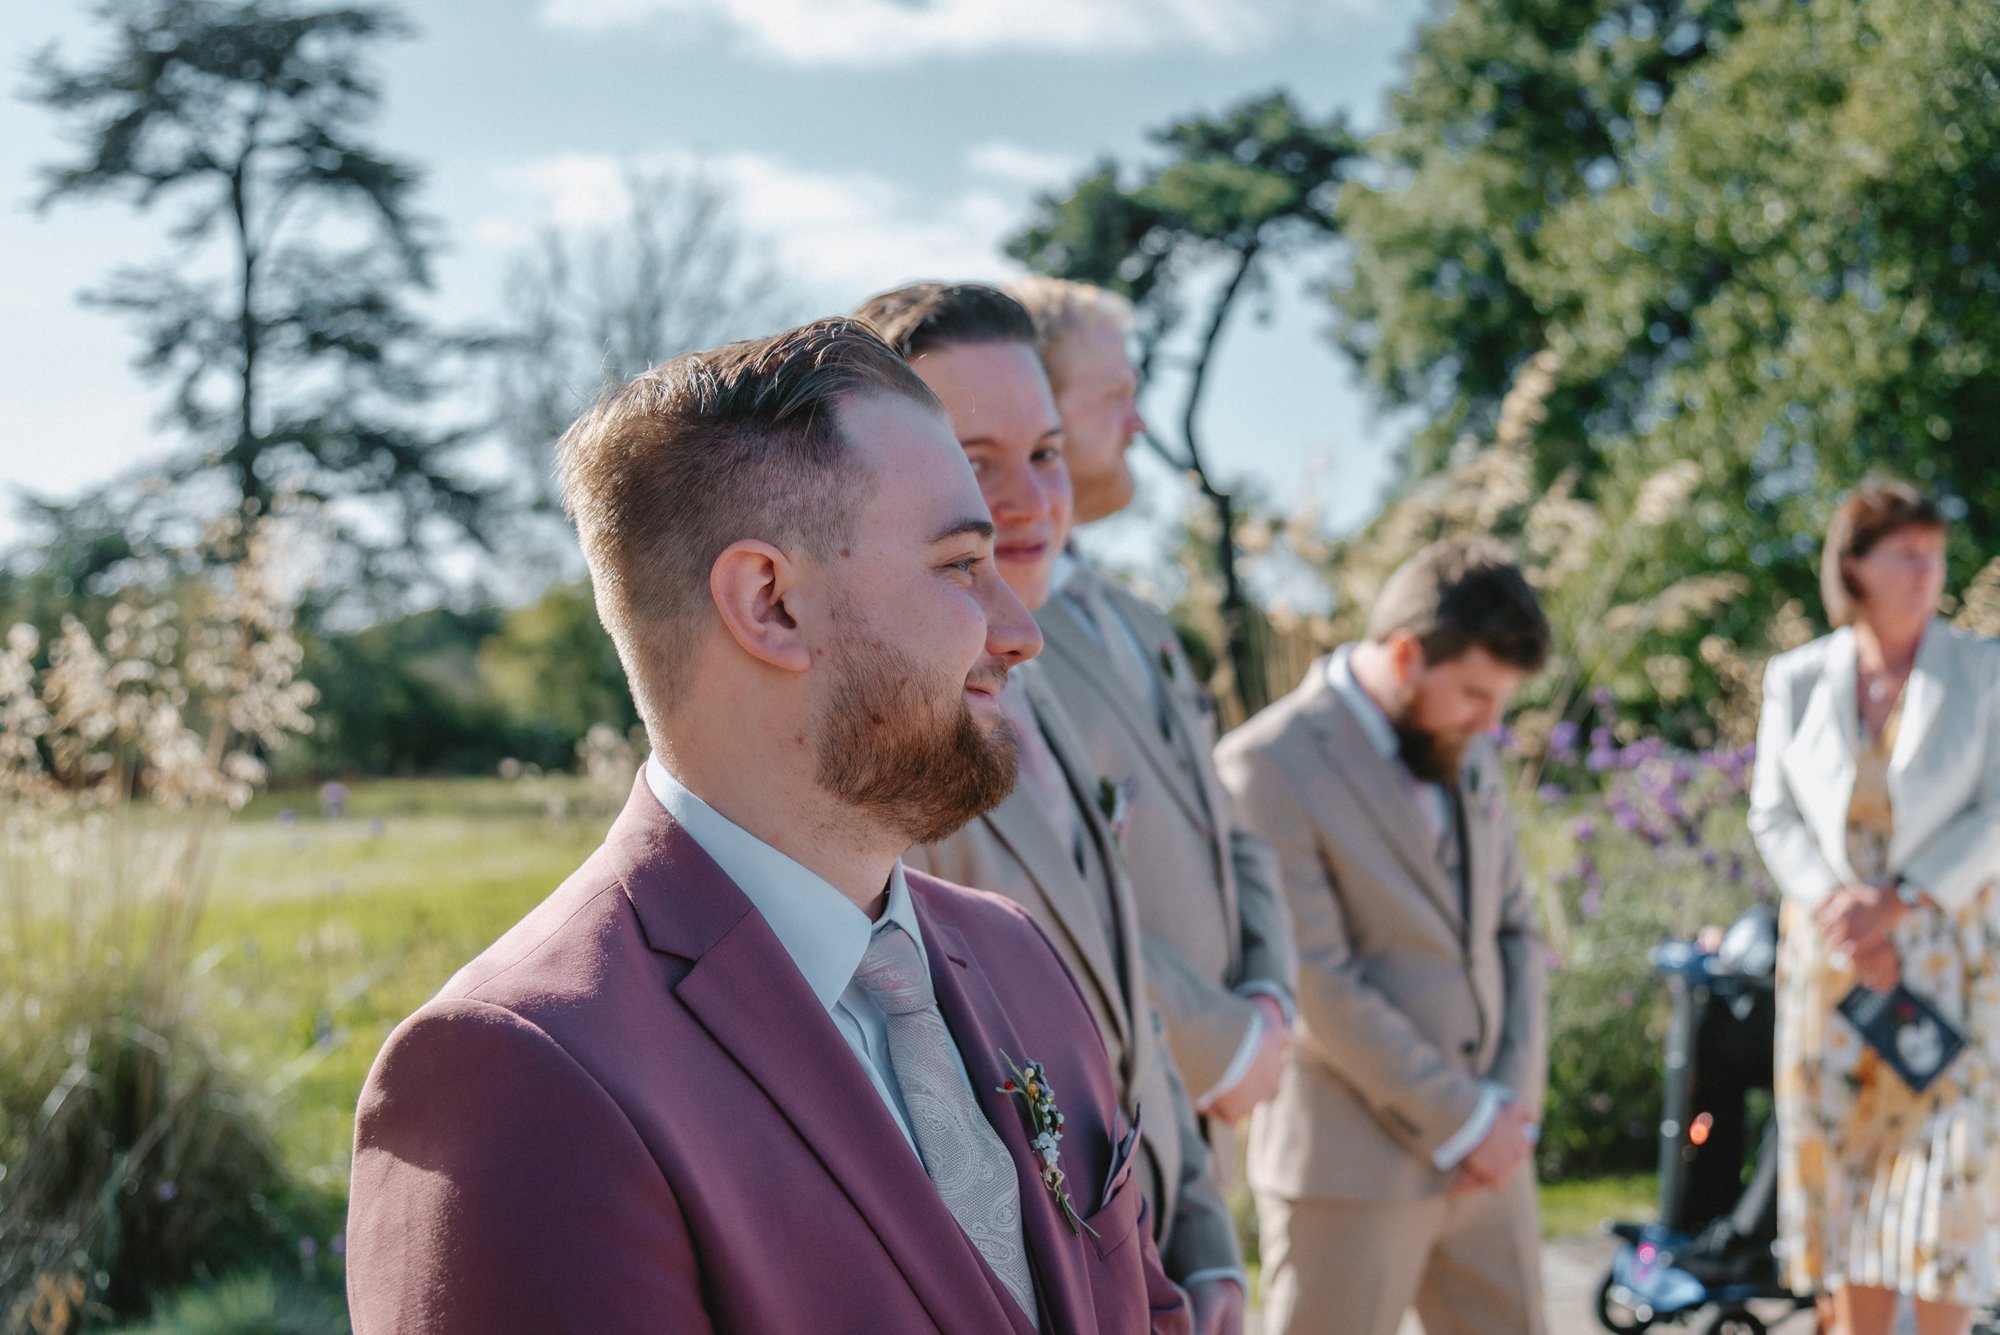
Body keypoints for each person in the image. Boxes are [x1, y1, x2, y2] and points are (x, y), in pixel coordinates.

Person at [344, 318, 1191, 1334]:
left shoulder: (1015, 959)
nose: (1020, 630)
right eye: (962, 564)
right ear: (770, 604)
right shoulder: (521, 1078)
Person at [856, 282, 1245, 1335]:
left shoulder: (1033, 690)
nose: (1026, 499)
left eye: (1042, 453)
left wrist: (1202, 1245)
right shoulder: (876, 752)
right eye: (973, 462)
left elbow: (1121, 1012)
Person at [1215, 539, 1552, 1335]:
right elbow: (1316, 982)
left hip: (1496, 1163)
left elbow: (1515, 929)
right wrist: (1465, 1121)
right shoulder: (1263, 767)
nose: (1492, 720)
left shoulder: (1464, 742)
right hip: (1349, 1174)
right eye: (1474, 692)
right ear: (1405, 655)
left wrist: (1509, 1108)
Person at [1006, 275, 1295, 1137]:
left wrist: (1270, 1001)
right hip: (1109, 1103)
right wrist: (1221, 1046)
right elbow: (1044, 886)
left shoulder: (1142, 621)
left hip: (1210, 1108)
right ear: (1038, 407)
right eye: (1118, 397)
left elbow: (1229, 824)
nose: (1138, 423)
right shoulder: (992, 639)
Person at [1749, 479, 2000, 1335]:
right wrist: (1840, 909)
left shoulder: (1982, 668)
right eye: (1906, 554)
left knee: (1949, 1183)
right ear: (1854, 564)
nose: (1927, 571)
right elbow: (1771, 812)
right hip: (1833, 958)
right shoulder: (1798, 677)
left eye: (1935, 554)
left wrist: (1898, 903)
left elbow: (1997, 807)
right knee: (1845, 1183)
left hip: (1946, 951)